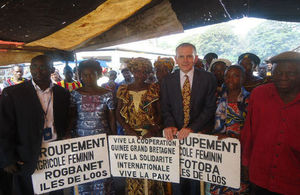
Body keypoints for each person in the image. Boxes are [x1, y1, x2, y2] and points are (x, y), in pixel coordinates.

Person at [0, 55, 70, 195]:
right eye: (34, 67)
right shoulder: (13, 93)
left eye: (42, 67)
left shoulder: (63, 93)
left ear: (52, 69)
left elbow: (65, 121)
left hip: (55, 153)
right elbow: (4, 127)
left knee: (56, 191)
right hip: (25, 155)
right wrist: (7, 159)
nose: (38, 70)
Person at [161, 43, 217, 195]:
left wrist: (192, 128)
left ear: (196, 58)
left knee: (196, 181)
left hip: (197, 137)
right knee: (177, 180)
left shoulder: (208, 78)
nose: (185, 60)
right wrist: (170, 125)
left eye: (189, 56)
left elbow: (210, 108)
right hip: (175, 138)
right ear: (175, 59)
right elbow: (165, 107)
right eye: (181, 56)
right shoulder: (167, 80)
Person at [241, 51, 300, 195]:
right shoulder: (259, 94)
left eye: (290, 73)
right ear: (271, 73)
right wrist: (245, 162)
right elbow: (249, 132)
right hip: (259, 176)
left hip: (293, 180)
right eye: (278, 73)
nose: (283, 78)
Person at [116, 57, 164, 195]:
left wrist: (153, 129)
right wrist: (129, 130)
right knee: (133, 169)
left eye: (144, 72)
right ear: (132, 71)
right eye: (137, 71)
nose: (140, 75)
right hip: (131, 136)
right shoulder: (123, 89)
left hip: (150, 135)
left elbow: (160, 114)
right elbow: (118, 114)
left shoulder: (153, 88)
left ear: (148, 73)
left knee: (150, 169)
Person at [69, 60, 116, 195]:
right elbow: (72, 117)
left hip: (102, 140)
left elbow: (111, 117)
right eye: (84, 75)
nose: (87, 78)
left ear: (98, 75)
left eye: (91, 75)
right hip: (81, 141)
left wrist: (113, 138)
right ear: (80, 76)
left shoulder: (107, 93)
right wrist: (68, 134)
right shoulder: (75, 94)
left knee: (102, 173)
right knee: (83, 173)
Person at [208, 65, 250, 194]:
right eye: (227, 75)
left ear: (243, 78)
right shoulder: (218, 96)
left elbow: (253, 129)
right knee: (218, 184)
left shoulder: (249, 99)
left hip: (240, 153)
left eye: (235, 76)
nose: (230, 79)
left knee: (237, 186)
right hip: (218, 152)